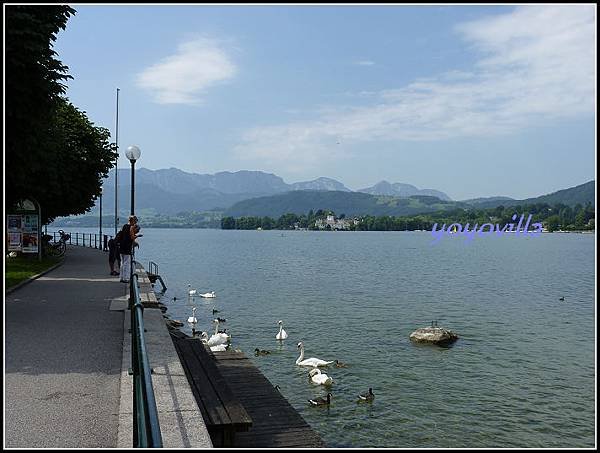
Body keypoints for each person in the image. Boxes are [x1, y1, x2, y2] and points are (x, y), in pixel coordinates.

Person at [119, 215, 141, 283]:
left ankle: (122, 277)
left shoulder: (124, 226)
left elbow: (123, 235)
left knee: (122, 263)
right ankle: (126, 278)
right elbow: (132, 237)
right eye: (135, 221)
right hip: (127, 247)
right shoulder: (131, 227)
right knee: (127, 263)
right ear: (133, 221)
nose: (135, 223)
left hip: (122, 246)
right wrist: (137, 236)